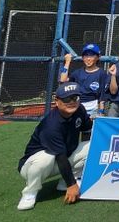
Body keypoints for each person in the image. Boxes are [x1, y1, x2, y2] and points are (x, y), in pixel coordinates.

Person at [16, 82, 92, 210]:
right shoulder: (51, 125)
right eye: (67, 99)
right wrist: (72, 185)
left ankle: (66, 181)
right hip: (32, 166)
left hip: (61, 158)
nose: (72, 102)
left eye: (75, 98)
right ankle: (30, 193)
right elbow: (60, 156)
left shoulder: (80, 110)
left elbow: (87, 128)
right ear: (57, 101)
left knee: (92, 147)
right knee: (47, 157)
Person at [59, 43, 107, 118]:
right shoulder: (77, 73)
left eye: (92, 55)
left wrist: (101, 111)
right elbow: (63, 80)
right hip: (77, 107)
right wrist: (67, 62)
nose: (88, 59)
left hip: (93, 109)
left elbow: (102, 95)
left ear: (98, 57)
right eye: (86, 55)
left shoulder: (101, 73)